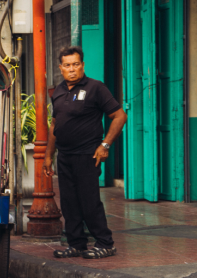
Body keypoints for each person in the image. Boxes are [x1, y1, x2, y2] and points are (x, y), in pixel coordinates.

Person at [46, 46, 127, 260]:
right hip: (65, 155)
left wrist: (105, 145)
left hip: (88, 155)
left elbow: (120, 116)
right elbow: (55, 125)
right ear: (60, 67)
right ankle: (77, 244)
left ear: (82, 65)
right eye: (67, 65)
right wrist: (48, 156)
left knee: (89, 201)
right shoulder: (59, 91)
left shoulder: (96, 88)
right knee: (69, 203)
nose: (72, 69)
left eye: (76, 64)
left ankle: (105, 243)